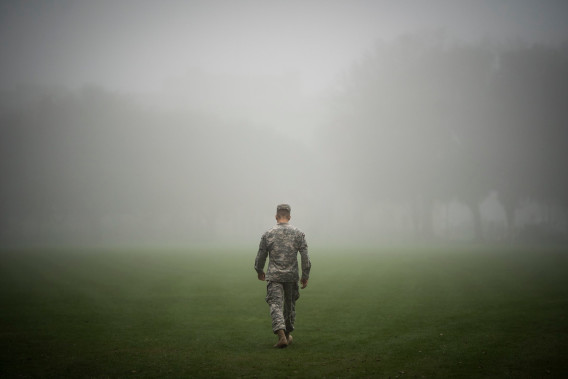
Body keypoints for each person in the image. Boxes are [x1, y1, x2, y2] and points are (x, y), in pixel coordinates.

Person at [254, 204, 311, 348]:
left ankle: (281, 336)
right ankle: (287, 335)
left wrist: (259, 270)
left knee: (275, 304)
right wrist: (305, 274)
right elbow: (305, 256)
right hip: (291, 276)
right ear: (289, 217)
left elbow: (261, 255)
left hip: (274, 276)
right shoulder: (298, 233)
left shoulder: (268, 234)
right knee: (289, 306)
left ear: (276, 216)